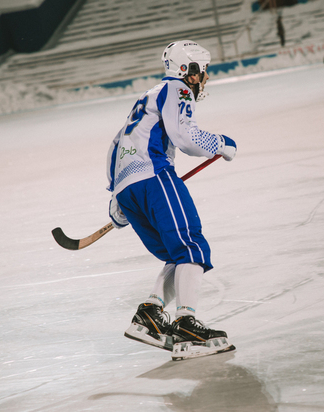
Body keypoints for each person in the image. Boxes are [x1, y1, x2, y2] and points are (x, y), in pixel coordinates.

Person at [106, 40, 237, 360]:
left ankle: (150, 315)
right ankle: (186, 323)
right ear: (189, 70)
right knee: (191, 246)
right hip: (154, 177)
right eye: (202, 71)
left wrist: (116, 195)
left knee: (176, 254)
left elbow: (116, 142)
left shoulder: (147, 96)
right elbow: (185, 136)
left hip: (128, 187)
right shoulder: (177, 90)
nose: (204, 77)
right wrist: (220, 143)